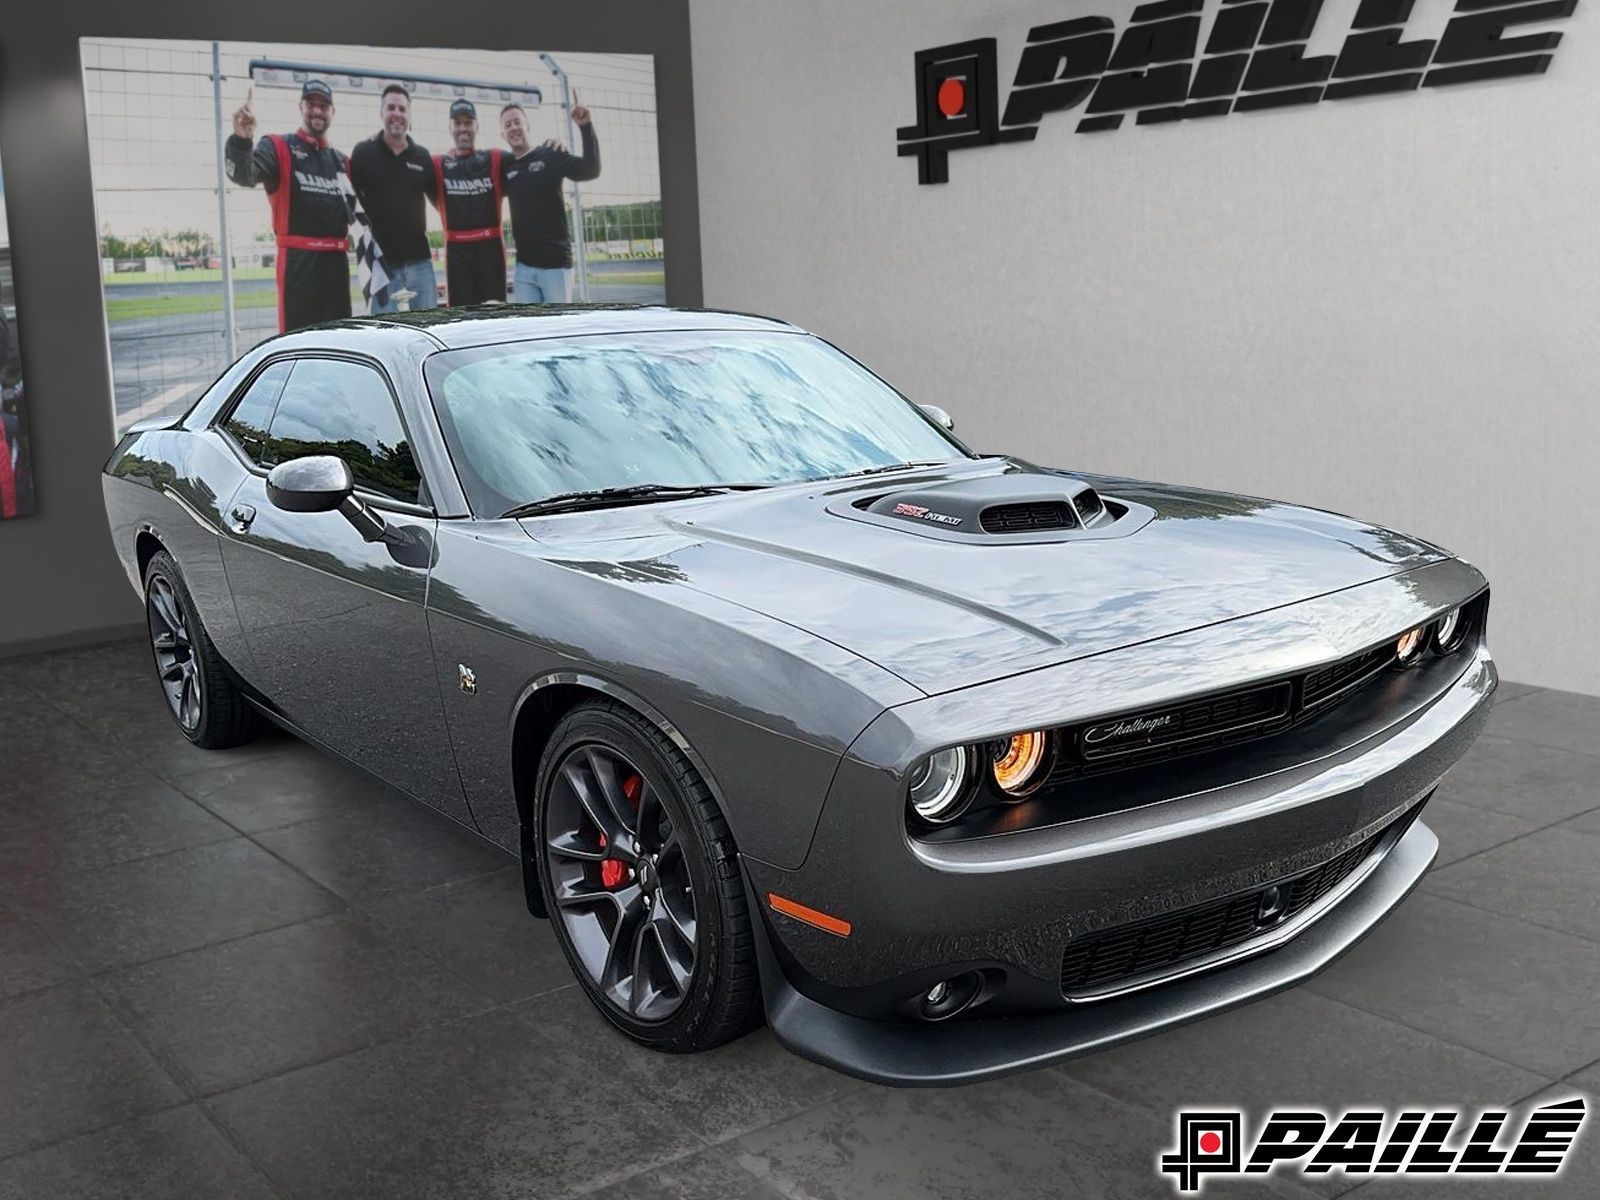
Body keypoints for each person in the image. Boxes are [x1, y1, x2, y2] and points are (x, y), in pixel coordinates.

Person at [225, 80, 352, 333]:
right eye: (311, 104)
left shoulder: (343, 162)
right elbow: (244, 174)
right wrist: (242, 140)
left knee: (340, 344)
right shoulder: (278, 146)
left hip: (337, 266)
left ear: (333, 112)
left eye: (324, 105)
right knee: (298, 344)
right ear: (301, 107)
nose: (317, 110)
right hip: (298, 265)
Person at [500, 97, 600, 304]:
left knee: (557, 332)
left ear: (528, 126)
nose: (514, 128)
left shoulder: (550, 154)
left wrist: (585, 127)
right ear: (503, 134)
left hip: (555, 267)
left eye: (518, 122)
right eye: (508, 125)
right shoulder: (505, 167)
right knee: (527, 333)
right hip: (524, 270)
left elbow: (590, 170)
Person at [348, 84, 438, 313]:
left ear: (409, 115)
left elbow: (441, 202)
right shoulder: (363, 153)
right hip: (381, 266)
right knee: (385, 335)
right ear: (381, 113)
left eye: (402, 109)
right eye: (391, 108)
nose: (397, 114)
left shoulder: (423, 157)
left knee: (430, 330)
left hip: (420, 264)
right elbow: (350, 204)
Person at [434, 99, 507, 306]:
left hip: (491, 252)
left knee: (495, 315)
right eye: (458, 123)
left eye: (468, 122)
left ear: (477, 126)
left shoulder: (495, 158)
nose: (463, 128)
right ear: (450, 128)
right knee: (460, 320)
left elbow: (524, 158)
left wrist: (551, 146)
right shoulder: (439, 164)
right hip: (457, 254)